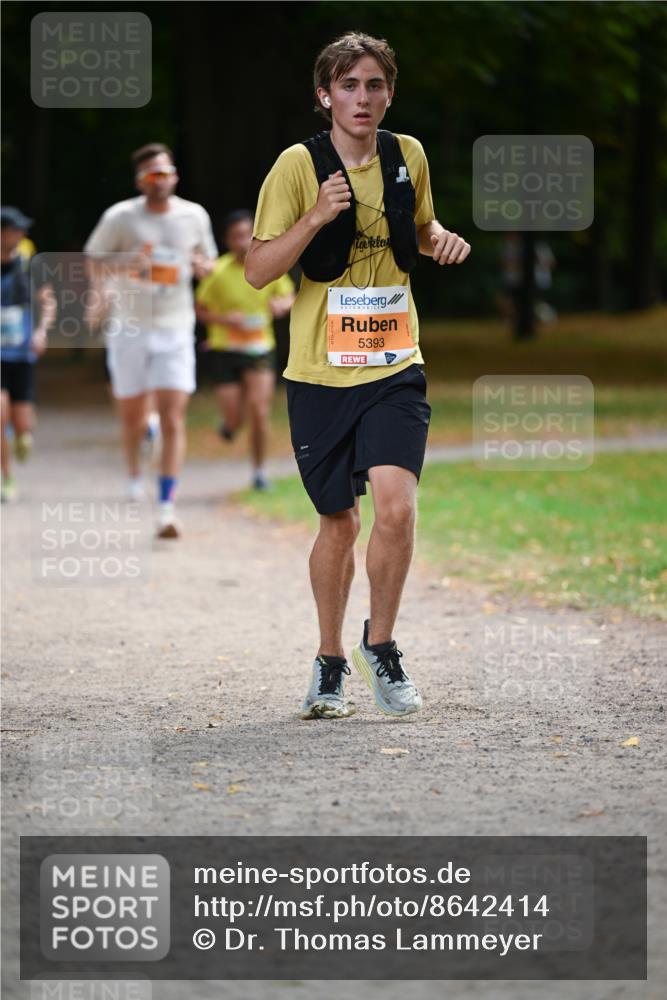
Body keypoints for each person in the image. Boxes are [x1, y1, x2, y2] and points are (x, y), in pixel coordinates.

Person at [245, 32, 471, 719]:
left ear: (388, 93)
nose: (362, 98)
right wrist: (316, 215)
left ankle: (381, 644)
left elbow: (420, 229)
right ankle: (329, 659)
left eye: (374, 85)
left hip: (394, 362)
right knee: (337, 523)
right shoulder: (296, 165)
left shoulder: (408, 157)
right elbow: (257, 270)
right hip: (318, 372)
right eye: (348, 86)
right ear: (325, 96)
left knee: (396, 507)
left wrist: (441, 240)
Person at [84, 143, 218, 537]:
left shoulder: (194, 215)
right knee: (131, 416)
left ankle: (166, 506)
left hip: (175, 327)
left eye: (164, 173)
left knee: (175, 416)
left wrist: (200, 266)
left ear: (175, 175)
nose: (158, 181)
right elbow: (94, 259)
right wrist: (122, 271)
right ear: (140, 181)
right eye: (150, 175)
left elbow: (208, 262)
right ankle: (133, 471)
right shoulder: (121, 216)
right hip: (129, 327)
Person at [195, 210, 295, 490]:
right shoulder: (216, 271)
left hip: (259, 346)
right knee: (235, 416)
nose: (242, 242)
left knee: (259, 411)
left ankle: (260, 472)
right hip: (225, 348)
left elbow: (288, 295)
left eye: (247, 235)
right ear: (227, 240)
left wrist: (282, 305)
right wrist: (225, 320)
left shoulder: (267, 265)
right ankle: (229, 424)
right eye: (236, 236)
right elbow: (199, 310)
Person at [1, 207, 55, 502]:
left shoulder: (29, 267)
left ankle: (22, 435)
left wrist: (41, 331)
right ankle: (7, 477)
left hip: (21, 354)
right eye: (15, 230)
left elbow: (48, 303)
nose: (22, 235)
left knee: (23, 422)